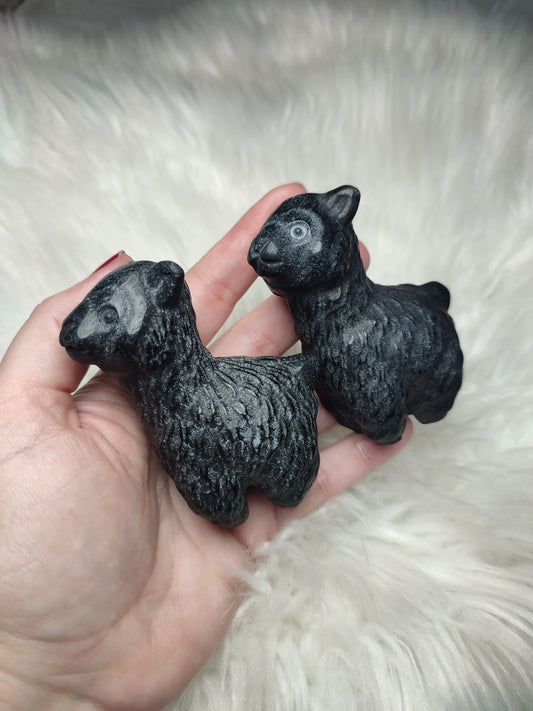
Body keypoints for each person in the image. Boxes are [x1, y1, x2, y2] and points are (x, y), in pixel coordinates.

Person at [0, 184, 411, 711]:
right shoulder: (168, 408)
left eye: (111, 316)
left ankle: (282, 475)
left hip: (280, 400)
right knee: (216, 478)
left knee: (279, 484)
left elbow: (217, 496)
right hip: (260, 391)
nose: (80, 331)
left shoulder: (188, 410)